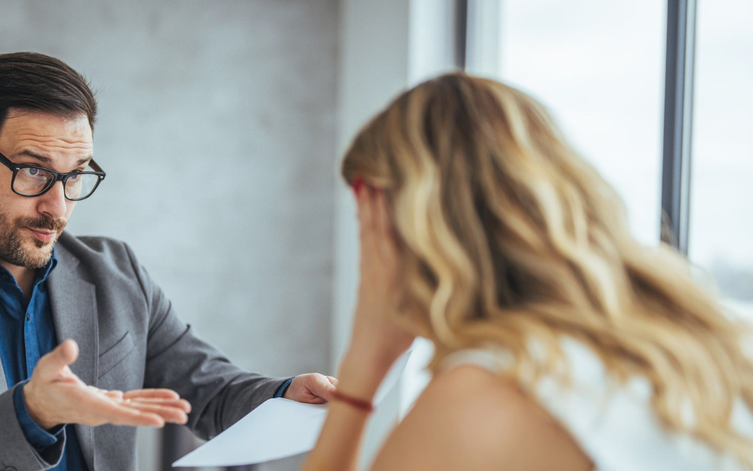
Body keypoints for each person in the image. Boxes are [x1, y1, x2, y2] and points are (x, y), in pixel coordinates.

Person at [0, 52, 336, 471]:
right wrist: (31, 413)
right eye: (33, 171)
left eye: (75, 176)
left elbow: (210, 389)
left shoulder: (116, 272)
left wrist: (286, 394)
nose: (58, 207)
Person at [303, 73, 753, 470]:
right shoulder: (698, 343)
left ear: (403, 230)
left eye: (364, 229)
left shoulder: (486, 400)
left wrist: (364, 361)